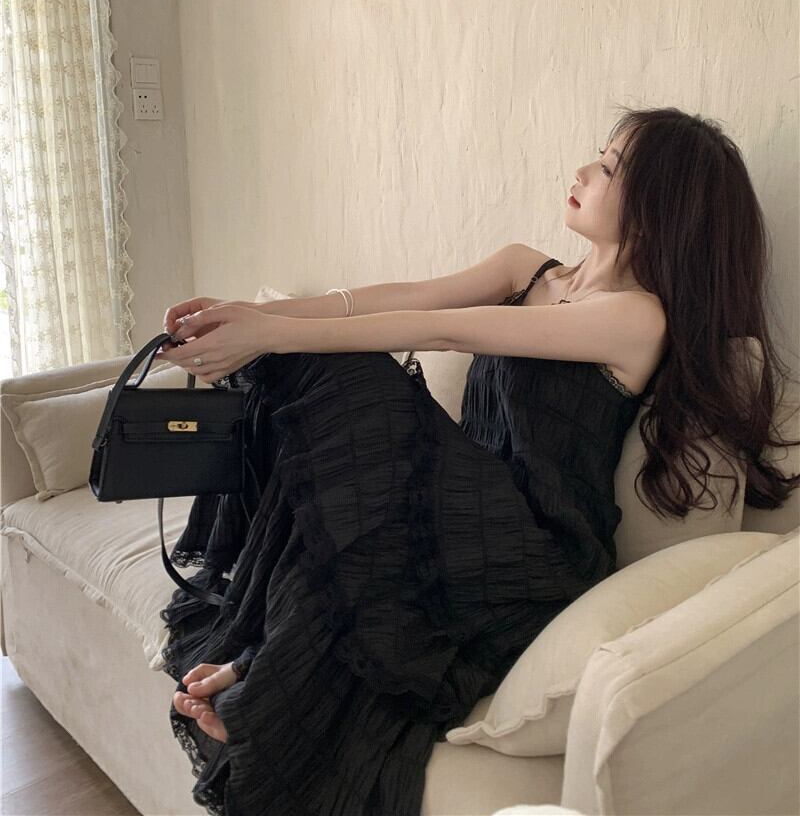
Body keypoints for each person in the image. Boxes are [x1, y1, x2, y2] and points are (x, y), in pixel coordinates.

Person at [156, 105, 799, 816]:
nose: (583, 171)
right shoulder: (526, 269)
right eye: (598, 155)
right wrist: (247, 317)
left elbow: (445, 330)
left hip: (534, 550)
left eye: (609, 168)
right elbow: (401, 297)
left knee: (354, 381)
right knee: (347, 471)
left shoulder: (636, 317)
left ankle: (265, 675)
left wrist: (271, 333)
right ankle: (263, 659)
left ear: (657, 208)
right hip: (454, 513)